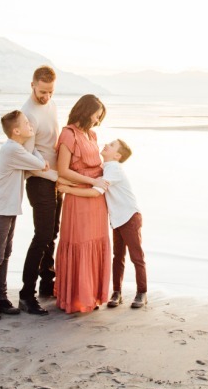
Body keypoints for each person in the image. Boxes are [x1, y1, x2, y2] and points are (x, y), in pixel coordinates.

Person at [0, 110, 52, 321]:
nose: (30, 124)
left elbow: (37, 160)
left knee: (5, 254)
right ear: (16, 130)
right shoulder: (12, 150)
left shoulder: (17, 148)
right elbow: (41, 164)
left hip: (9, 208)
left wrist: (34, 148)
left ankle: (2, 298)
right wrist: (37, 151)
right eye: (25, 123)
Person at [54, 95, 112, 314]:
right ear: (86, 112)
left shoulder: (92, 134)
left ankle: (93, 295)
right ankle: (77, 297)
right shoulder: (68, 134)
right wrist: (91, 182)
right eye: (97, 115)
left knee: (96, 241)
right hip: (79, 197)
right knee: (80, 242)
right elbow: (63, 170)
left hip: (96, 199)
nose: (98, 121)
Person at [19, 65, 63, 311]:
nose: (46, 97)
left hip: (56, 180)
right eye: (42, 91)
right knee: (43, 235)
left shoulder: (53, 106)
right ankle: (27, 294)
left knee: (53, 233)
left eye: (51, 92)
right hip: (39, 180)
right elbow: (29, 156)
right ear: (32, 85)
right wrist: (54, 175)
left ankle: (48, 284)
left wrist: (62, 177)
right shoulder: (28, 114)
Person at [99, 139, 147, 310]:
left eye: (111, 145)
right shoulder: (106, 167)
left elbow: (99, 188)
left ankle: (142, 292)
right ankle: (117, 292)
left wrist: (67, 186)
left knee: (136, 257)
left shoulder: (114, 169)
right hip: (118, 218)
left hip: (130, 216)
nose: (106, 144)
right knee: (118, 257)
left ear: (117, 156)